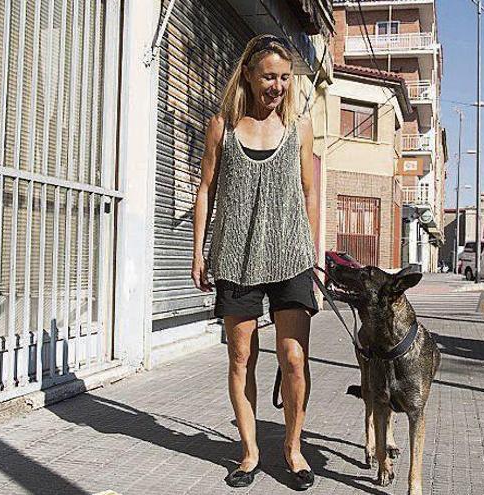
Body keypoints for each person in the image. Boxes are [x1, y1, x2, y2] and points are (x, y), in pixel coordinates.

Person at [191, 34, 319, 491]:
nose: (278, 85)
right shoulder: (221, 126)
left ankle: (293, 449)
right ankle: (249, 453)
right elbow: (205, 189)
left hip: (290, 257)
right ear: (248, 73)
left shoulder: (299, 127)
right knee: (242, 356)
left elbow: (309, 190)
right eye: (269, 76)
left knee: (293, 359)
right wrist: (198, 250)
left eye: (285, 77)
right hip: (236, 256)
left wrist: (313, 249)